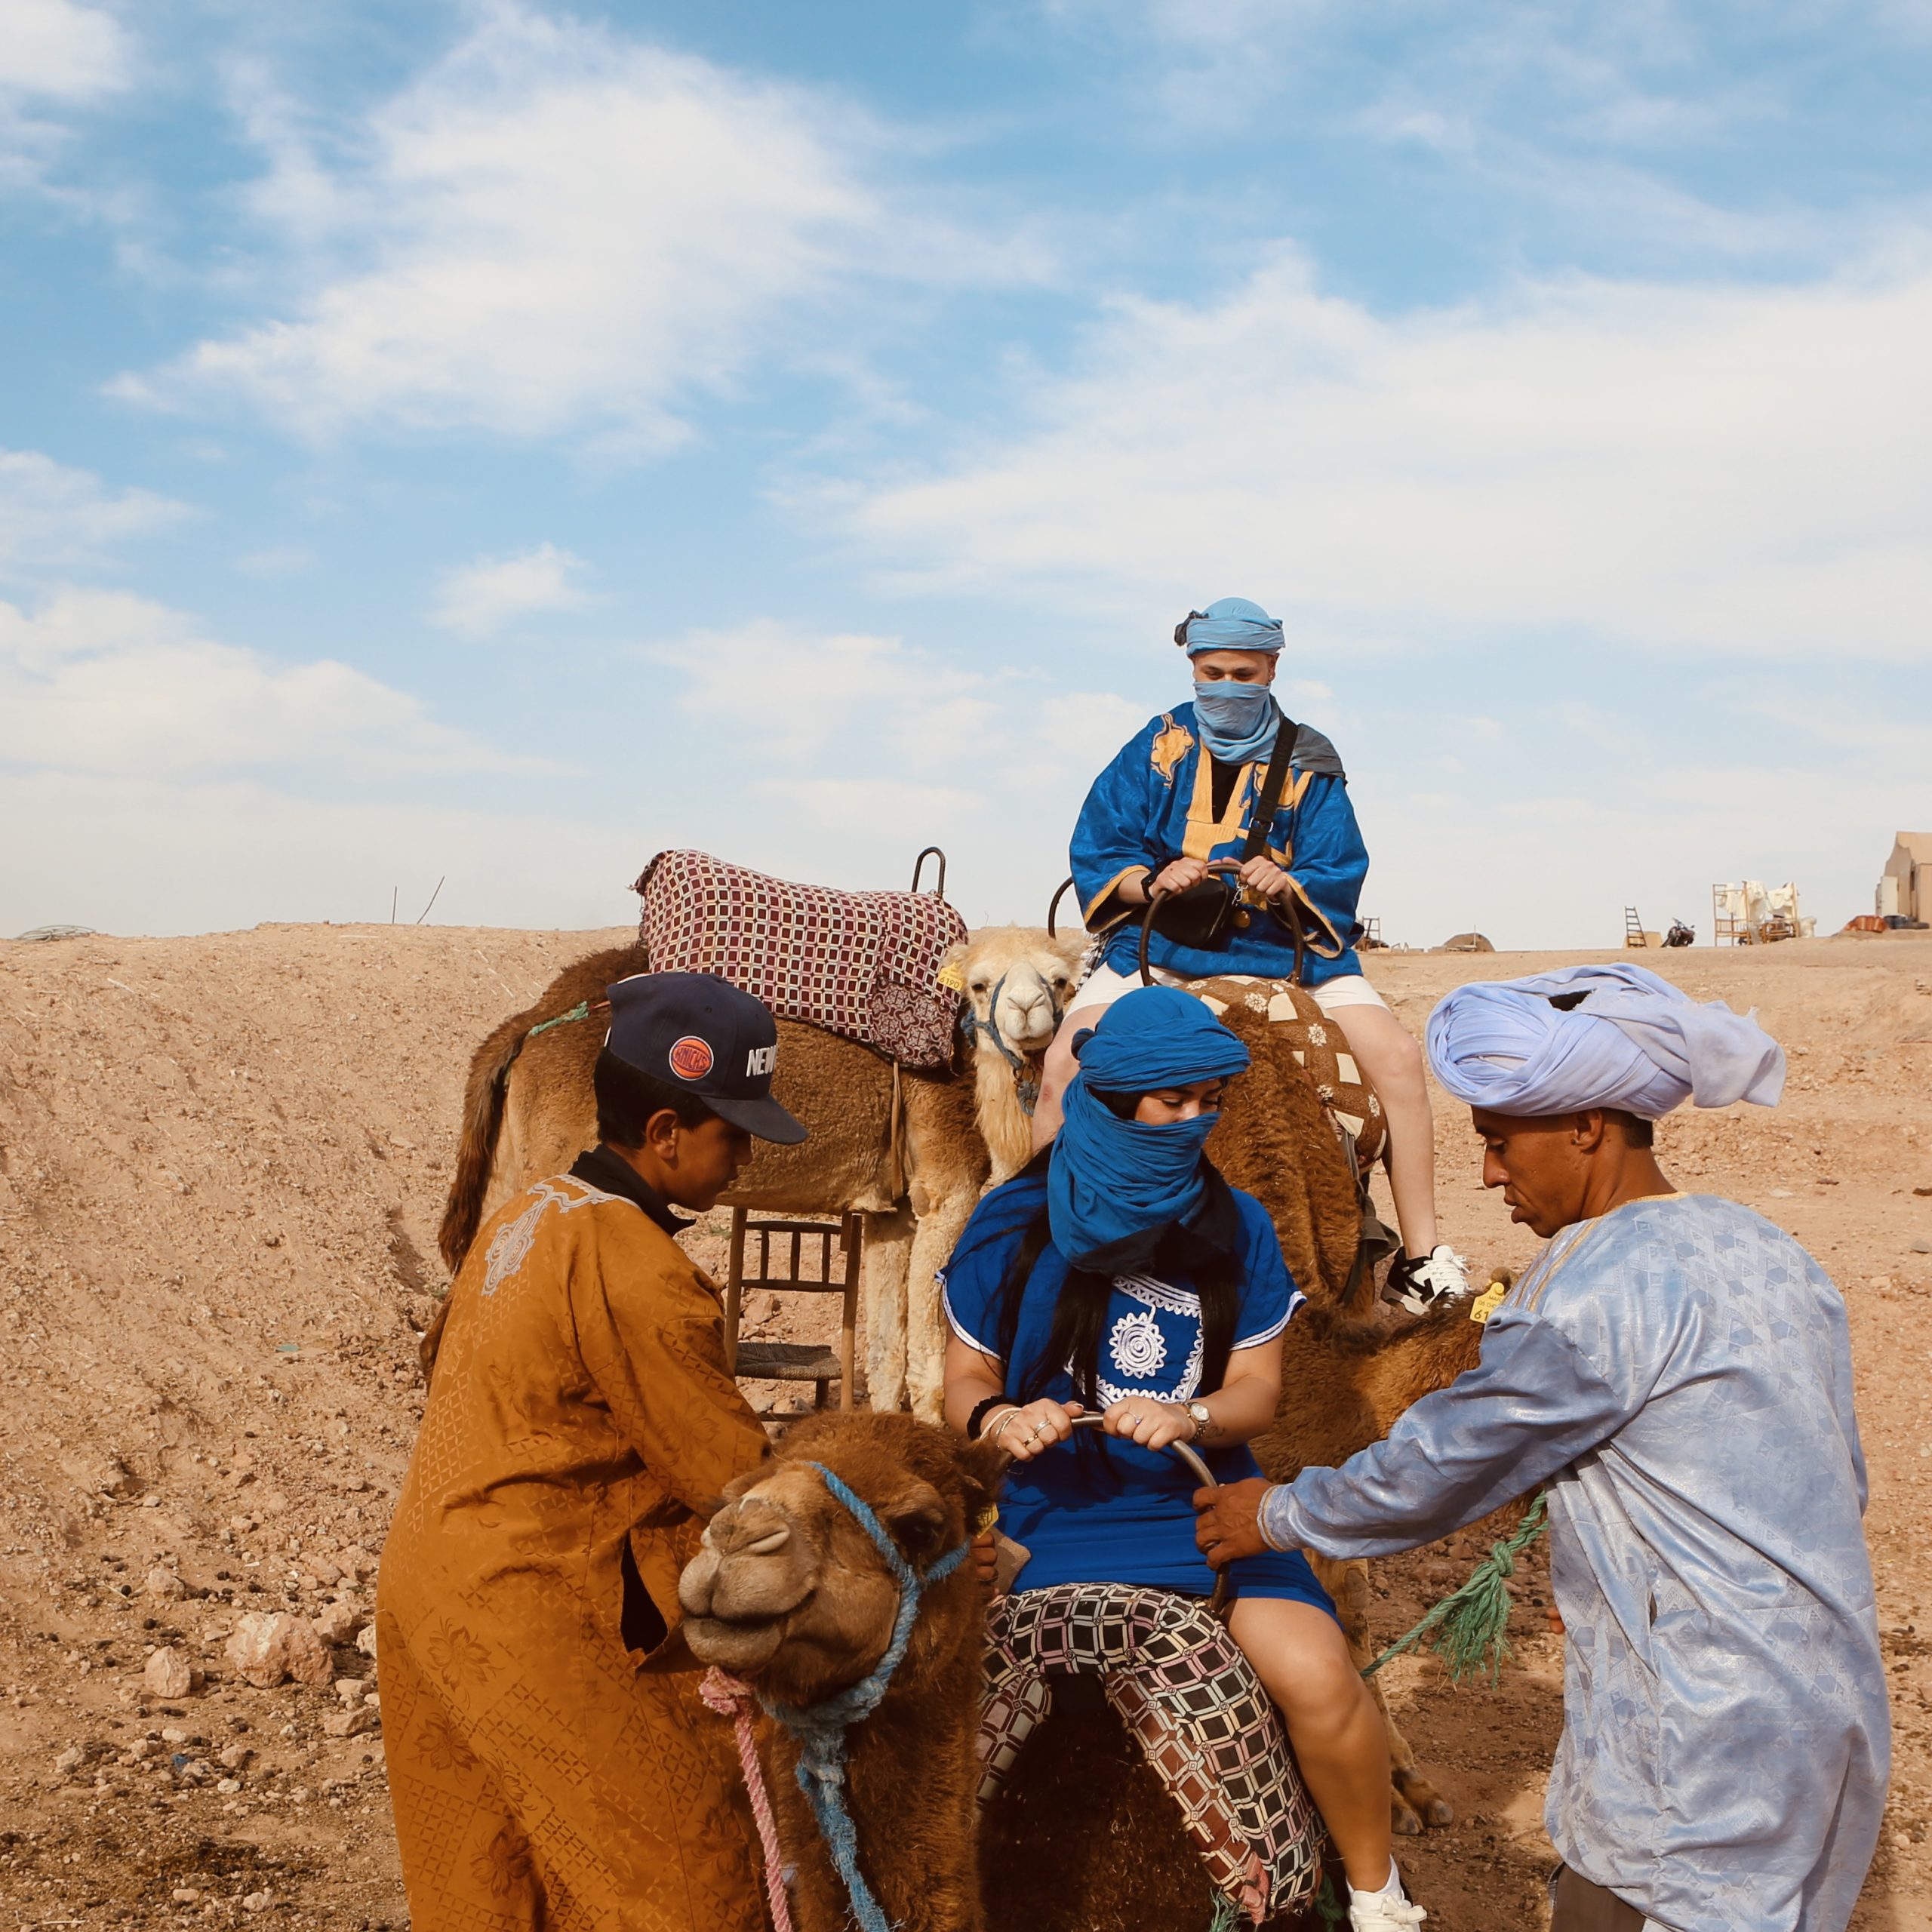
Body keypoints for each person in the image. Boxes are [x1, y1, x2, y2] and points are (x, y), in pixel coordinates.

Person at [1193, 963, 1890, 1932]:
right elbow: (1841, 1476)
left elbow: (1444, 1464)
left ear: (1587, 1128)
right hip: (1830, 1709)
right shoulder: (1768, 1250)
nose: (1488, 1174)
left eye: (1498, 1142)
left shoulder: (1589, 1284)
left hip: (1698, 1737)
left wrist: (1274, 1512)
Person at [943, 985, 1425, 1932]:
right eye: (1174, 1102)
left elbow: (1256, 1391)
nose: (1197, 1121)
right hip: (1046, 1516)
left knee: (1320, 1677)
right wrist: (1001, 1418)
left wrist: (1190, 1414)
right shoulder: (1009, 1223)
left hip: (1206, 1514)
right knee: (930, 1698)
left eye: (1211, 1100)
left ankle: (1378, 1896)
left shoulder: (1236, 1223)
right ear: (1114, 1098)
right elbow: (964, 1377)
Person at [377, 972, 808, 1932]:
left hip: (427, 1595)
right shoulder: (639, 1266)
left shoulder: (525, 1215)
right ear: (665, 1132)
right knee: (686, 1884)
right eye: (733, 1135)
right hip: (539, 1612)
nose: (743, 1160)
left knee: (489, 1892)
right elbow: (733, 1482)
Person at [1041, 595, 1464, 1314]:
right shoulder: (1155, 747)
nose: (1227, 688)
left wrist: (1290, 884)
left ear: (1271, 669)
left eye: (1243, 674)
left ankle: (1421, 1257)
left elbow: (1339, 866)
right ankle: (1042, 1235)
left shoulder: (1311, 758)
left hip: (1290, 952)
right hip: (1164, 948)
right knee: (1062, 1064)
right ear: (1193, 669)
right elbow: (1101, 845)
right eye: (1213, 673)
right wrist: (1153, 880)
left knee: (1396, 1056)